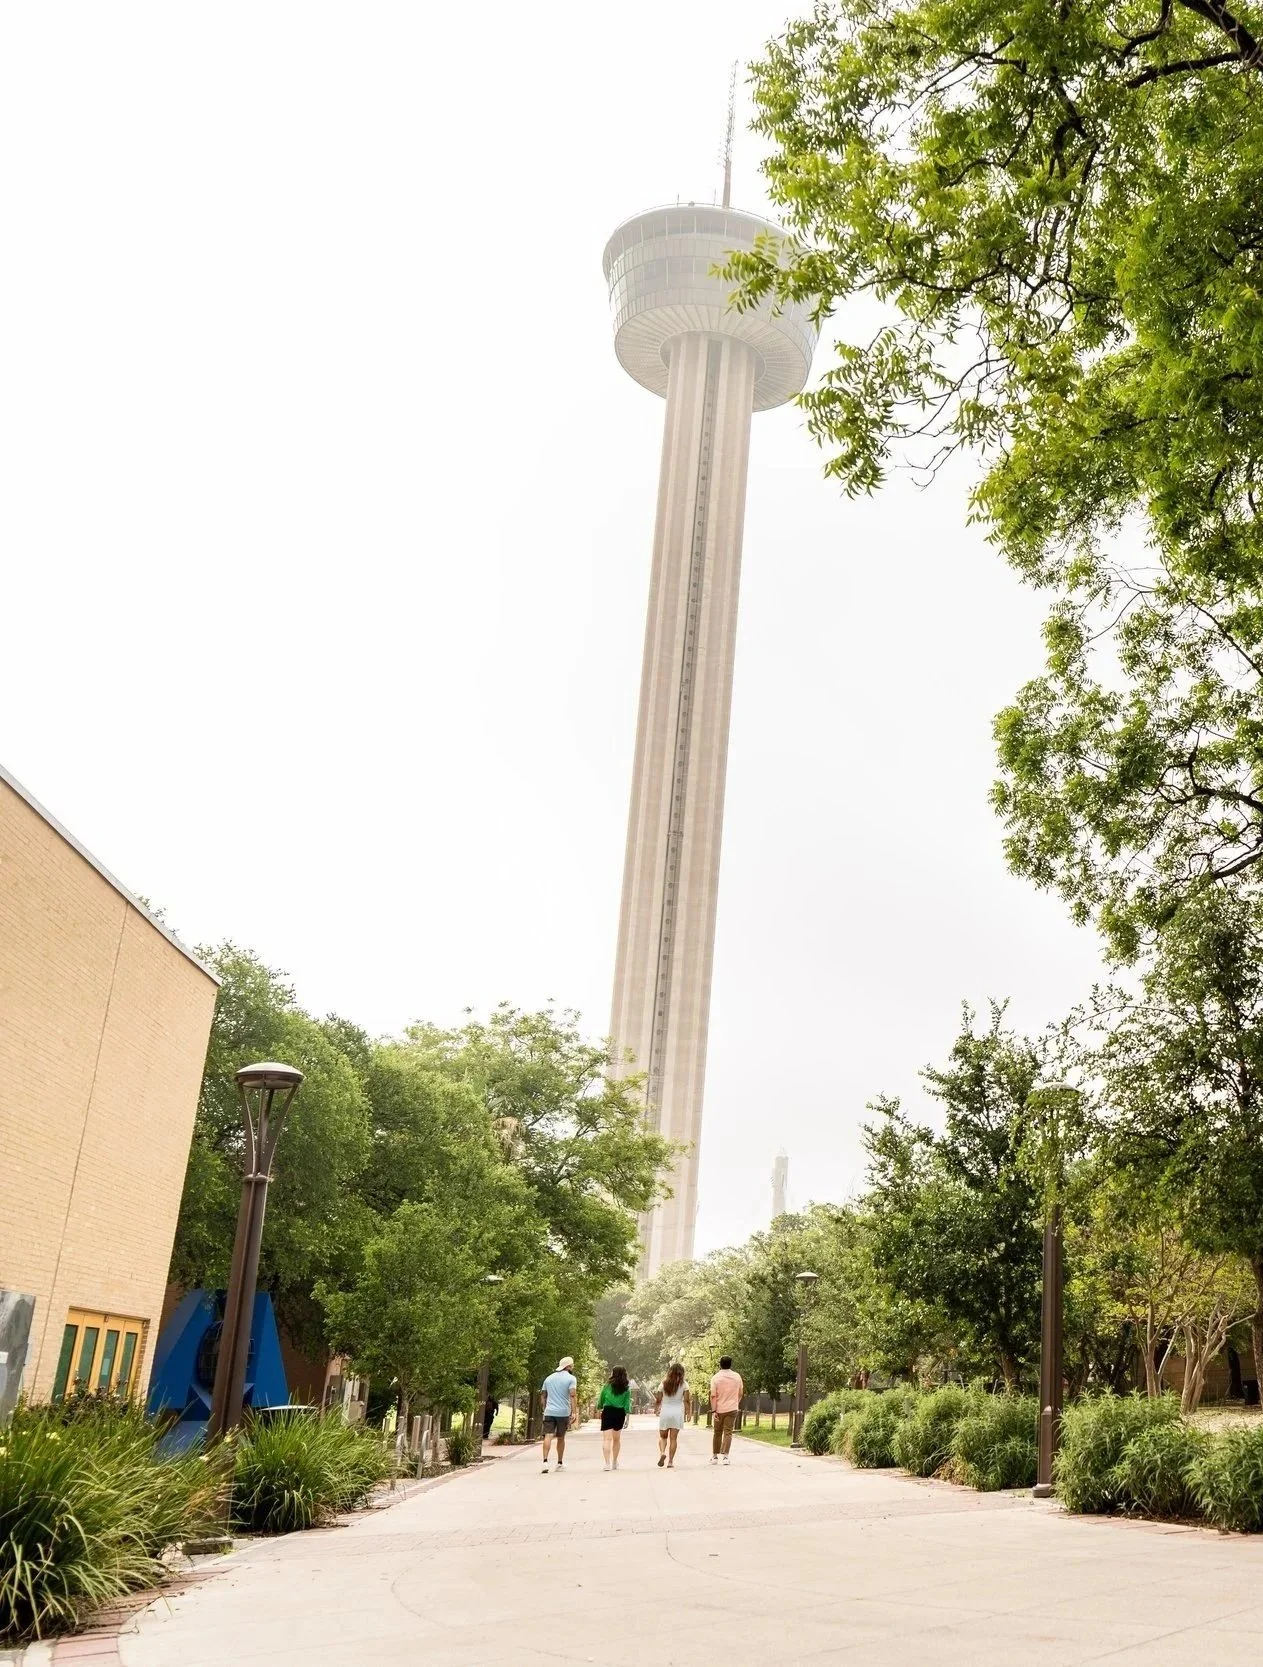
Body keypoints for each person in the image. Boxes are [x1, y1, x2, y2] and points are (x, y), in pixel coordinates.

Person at [539, 1355, 578, 1472]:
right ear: (568, 1366)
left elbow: (543, 1396)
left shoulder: (548, 1378)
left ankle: (545, 1462)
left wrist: (545, 1408)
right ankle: (559, 1463)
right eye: (572, 1364)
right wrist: (574, 1412)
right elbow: (572, 1395)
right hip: (563, 1412)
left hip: (549, 1411)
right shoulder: (571, 1379)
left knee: (548, 1435)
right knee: (561, 1437)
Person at [596, 1365, 632, 1470]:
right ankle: (615, 1462)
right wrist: (627, 1416)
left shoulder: (606, 1386)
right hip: (619, 1413)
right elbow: (627, 1405)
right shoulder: (626, 1388)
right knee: (616, 1439)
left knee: (607, 1439)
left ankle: (607, 1463)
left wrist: (599, 1407)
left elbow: (601, 1399)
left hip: (608, 1412)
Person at [709, 1354, 744, 1465]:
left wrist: (714, 1410)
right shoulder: (737, 1377)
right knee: (728, 1432)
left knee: (717, 1432)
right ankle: (725, 1457)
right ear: (730, 1364)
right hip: (732, 1408)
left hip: (719, 1409)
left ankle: (714, 1457)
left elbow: (713, 1395)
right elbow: (741, 1392)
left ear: (720, 1364)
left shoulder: (715, 1378)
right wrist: (735, 1402)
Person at [654, 1362, 690, 1468]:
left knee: (662, 1436)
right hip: (677, 1412)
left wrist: (656, 1409)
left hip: (666, 1411)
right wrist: (688, 1413)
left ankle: (662, 1453)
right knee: (673, 1439)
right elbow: (687, 1400)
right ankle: (670, 1462)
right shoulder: (684, 1385)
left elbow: (658, 1399)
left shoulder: (663, 1384)